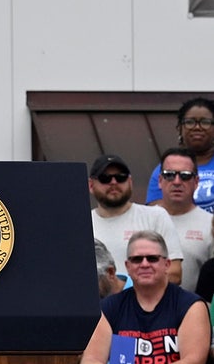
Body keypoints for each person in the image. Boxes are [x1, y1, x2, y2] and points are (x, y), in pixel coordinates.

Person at [80, 231, 210, 364]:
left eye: (152, 258)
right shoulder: (109, 307)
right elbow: (89, 360)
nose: (144, 264)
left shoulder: (191, 305)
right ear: (127, 266)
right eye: (136, 259)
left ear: (167, 264)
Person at [90, 154, 184, 285]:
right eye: (105, 178)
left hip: (148, 303)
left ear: (130, 182)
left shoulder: (156, 216)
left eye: (120, 177)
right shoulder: (81, 223)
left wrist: (128, 292)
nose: (113, 182)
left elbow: (174, 273)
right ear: (90, 185)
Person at [156, 147, 213, 293]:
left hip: (194, 311)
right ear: (160, 180)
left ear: (196, 182)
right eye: (169, 175)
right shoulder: (142, 219)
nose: (177, 181)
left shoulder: (210, 225)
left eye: (185, 175)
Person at [146, 97, 214, 212]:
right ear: (179, 129)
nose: (197, 127)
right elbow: (155, 213)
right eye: (190, 122)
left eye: (205, 122)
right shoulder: (165, 169)